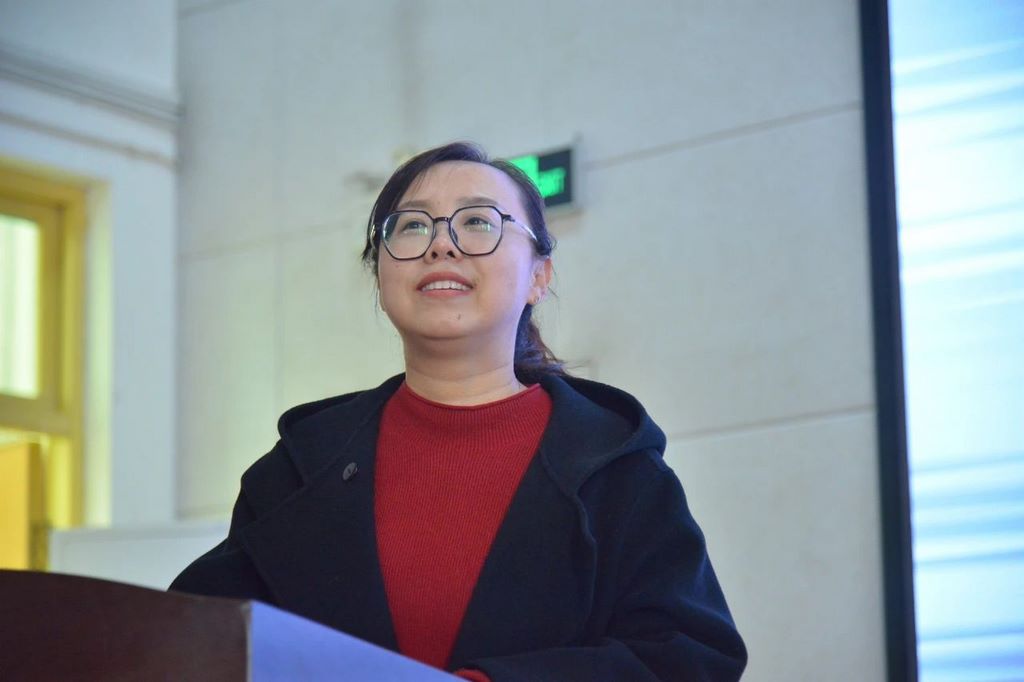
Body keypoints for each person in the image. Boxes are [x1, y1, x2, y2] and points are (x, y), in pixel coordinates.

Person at [170, 142, 747, 681]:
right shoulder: (300, 466)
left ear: (539, 276)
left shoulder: (618, 467)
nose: (440, 245)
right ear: (380, 273)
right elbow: (198, 641)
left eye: (477, 222)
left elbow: (686, 657)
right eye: (411, 226)